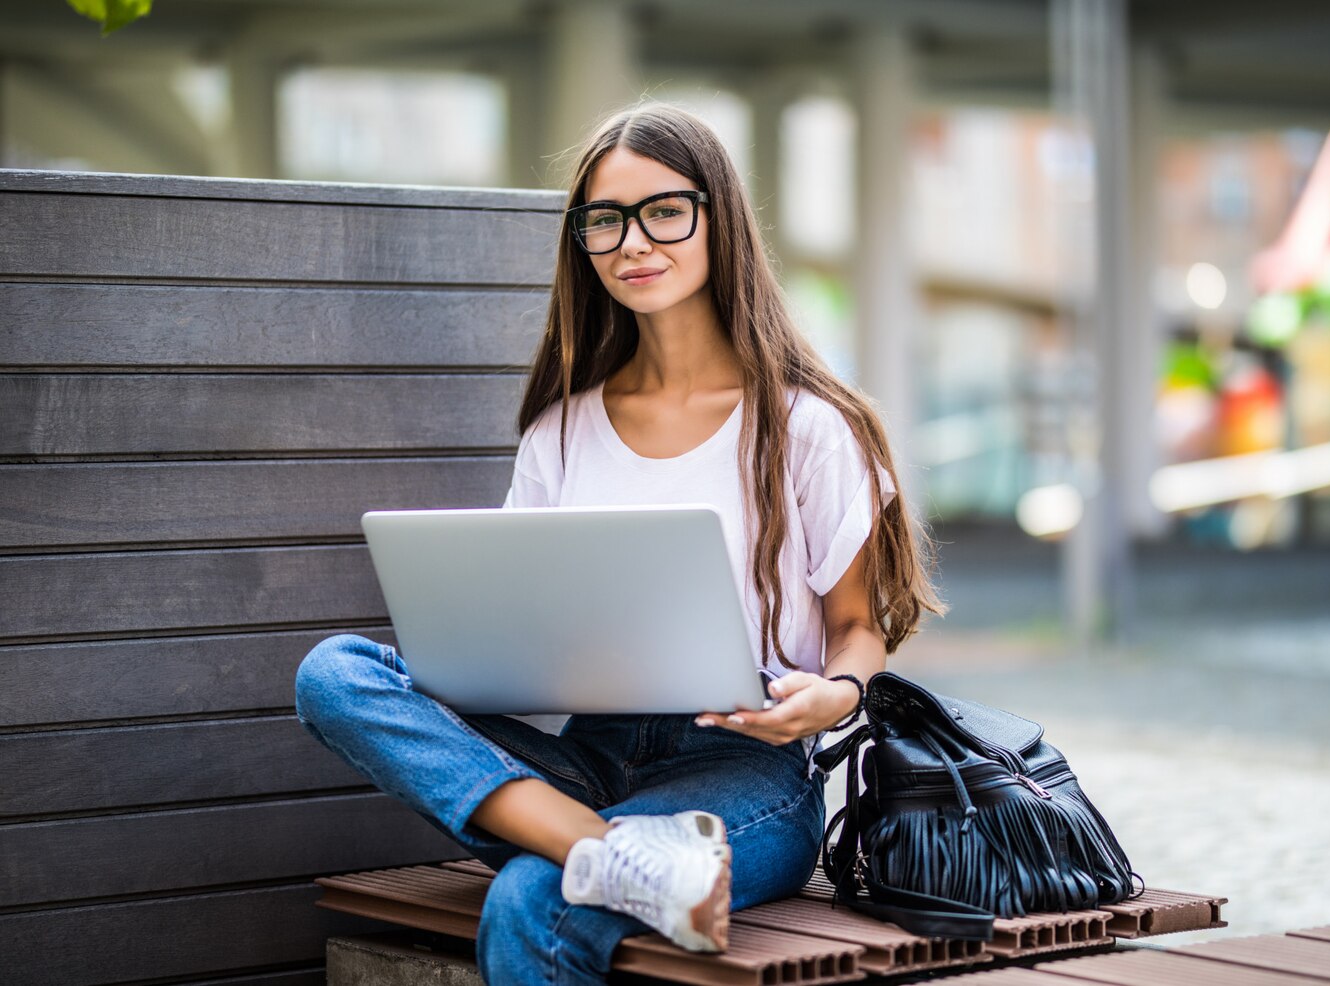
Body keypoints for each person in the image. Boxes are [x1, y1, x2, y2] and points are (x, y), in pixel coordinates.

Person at [293, 101, 945, 985]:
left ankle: (596, 851)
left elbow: (858, 628)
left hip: (744, 765)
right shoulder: (560, 432)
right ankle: (611, 850)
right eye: (604, 220)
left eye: (663, 211)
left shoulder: (810, 427)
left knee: (532, 898)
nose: (633, 242)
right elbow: (522, 625)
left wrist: (830, 698)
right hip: (584, 753)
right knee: (333, 673)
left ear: (720, 218)